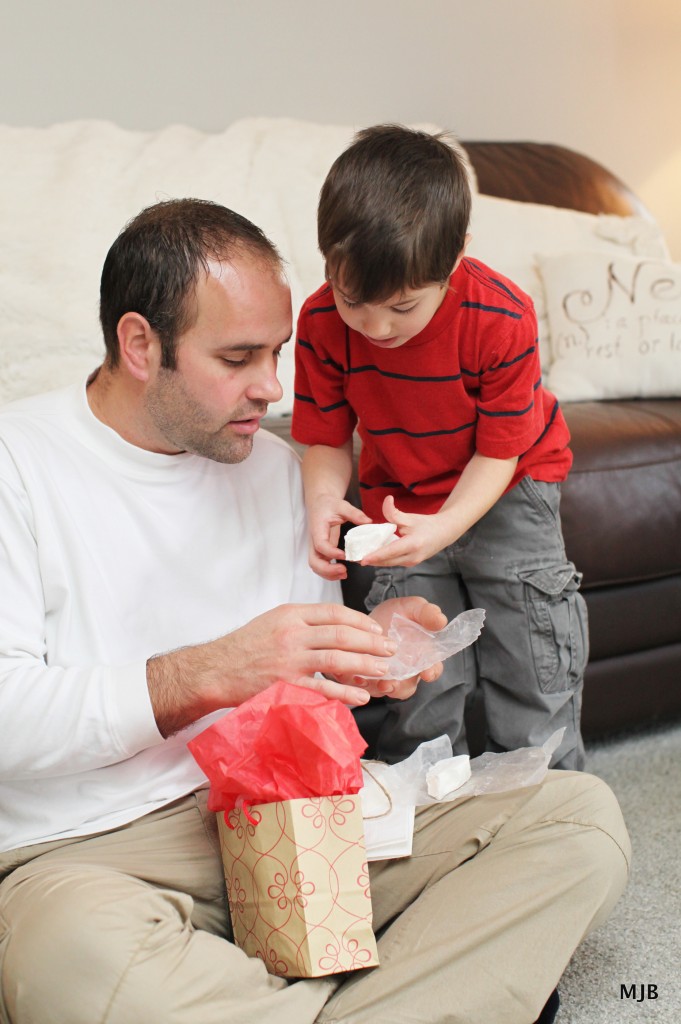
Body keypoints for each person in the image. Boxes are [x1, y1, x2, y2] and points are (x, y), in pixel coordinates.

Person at [0, 198, 629, 1024]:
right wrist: (207, 673)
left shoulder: (276, 471)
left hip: (298, 818)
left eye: (277, 353)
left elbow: (305, 688)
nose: (273, 387)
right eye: (236, 358)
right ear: (140, 344)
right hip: (100, 852)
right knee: (70, 958)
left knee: (578, 823)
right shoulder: (20, 464)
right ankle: (421, 996)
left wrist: (371, 655)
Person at [292, 124, 588, 770]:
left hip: (506, 484)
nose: (374, 326)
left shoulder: (500, 317)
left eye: (401, 306)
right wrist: (321, 500)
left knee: (529, 650)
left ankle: (549, 797)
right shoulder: (319, 323)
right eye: (352, 300)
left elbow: (499, 453)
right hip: (401, 491)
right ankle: (431, 802)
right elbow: (323, 433)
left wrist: (444, 528)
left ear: (453, 259)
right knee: (418, 663)